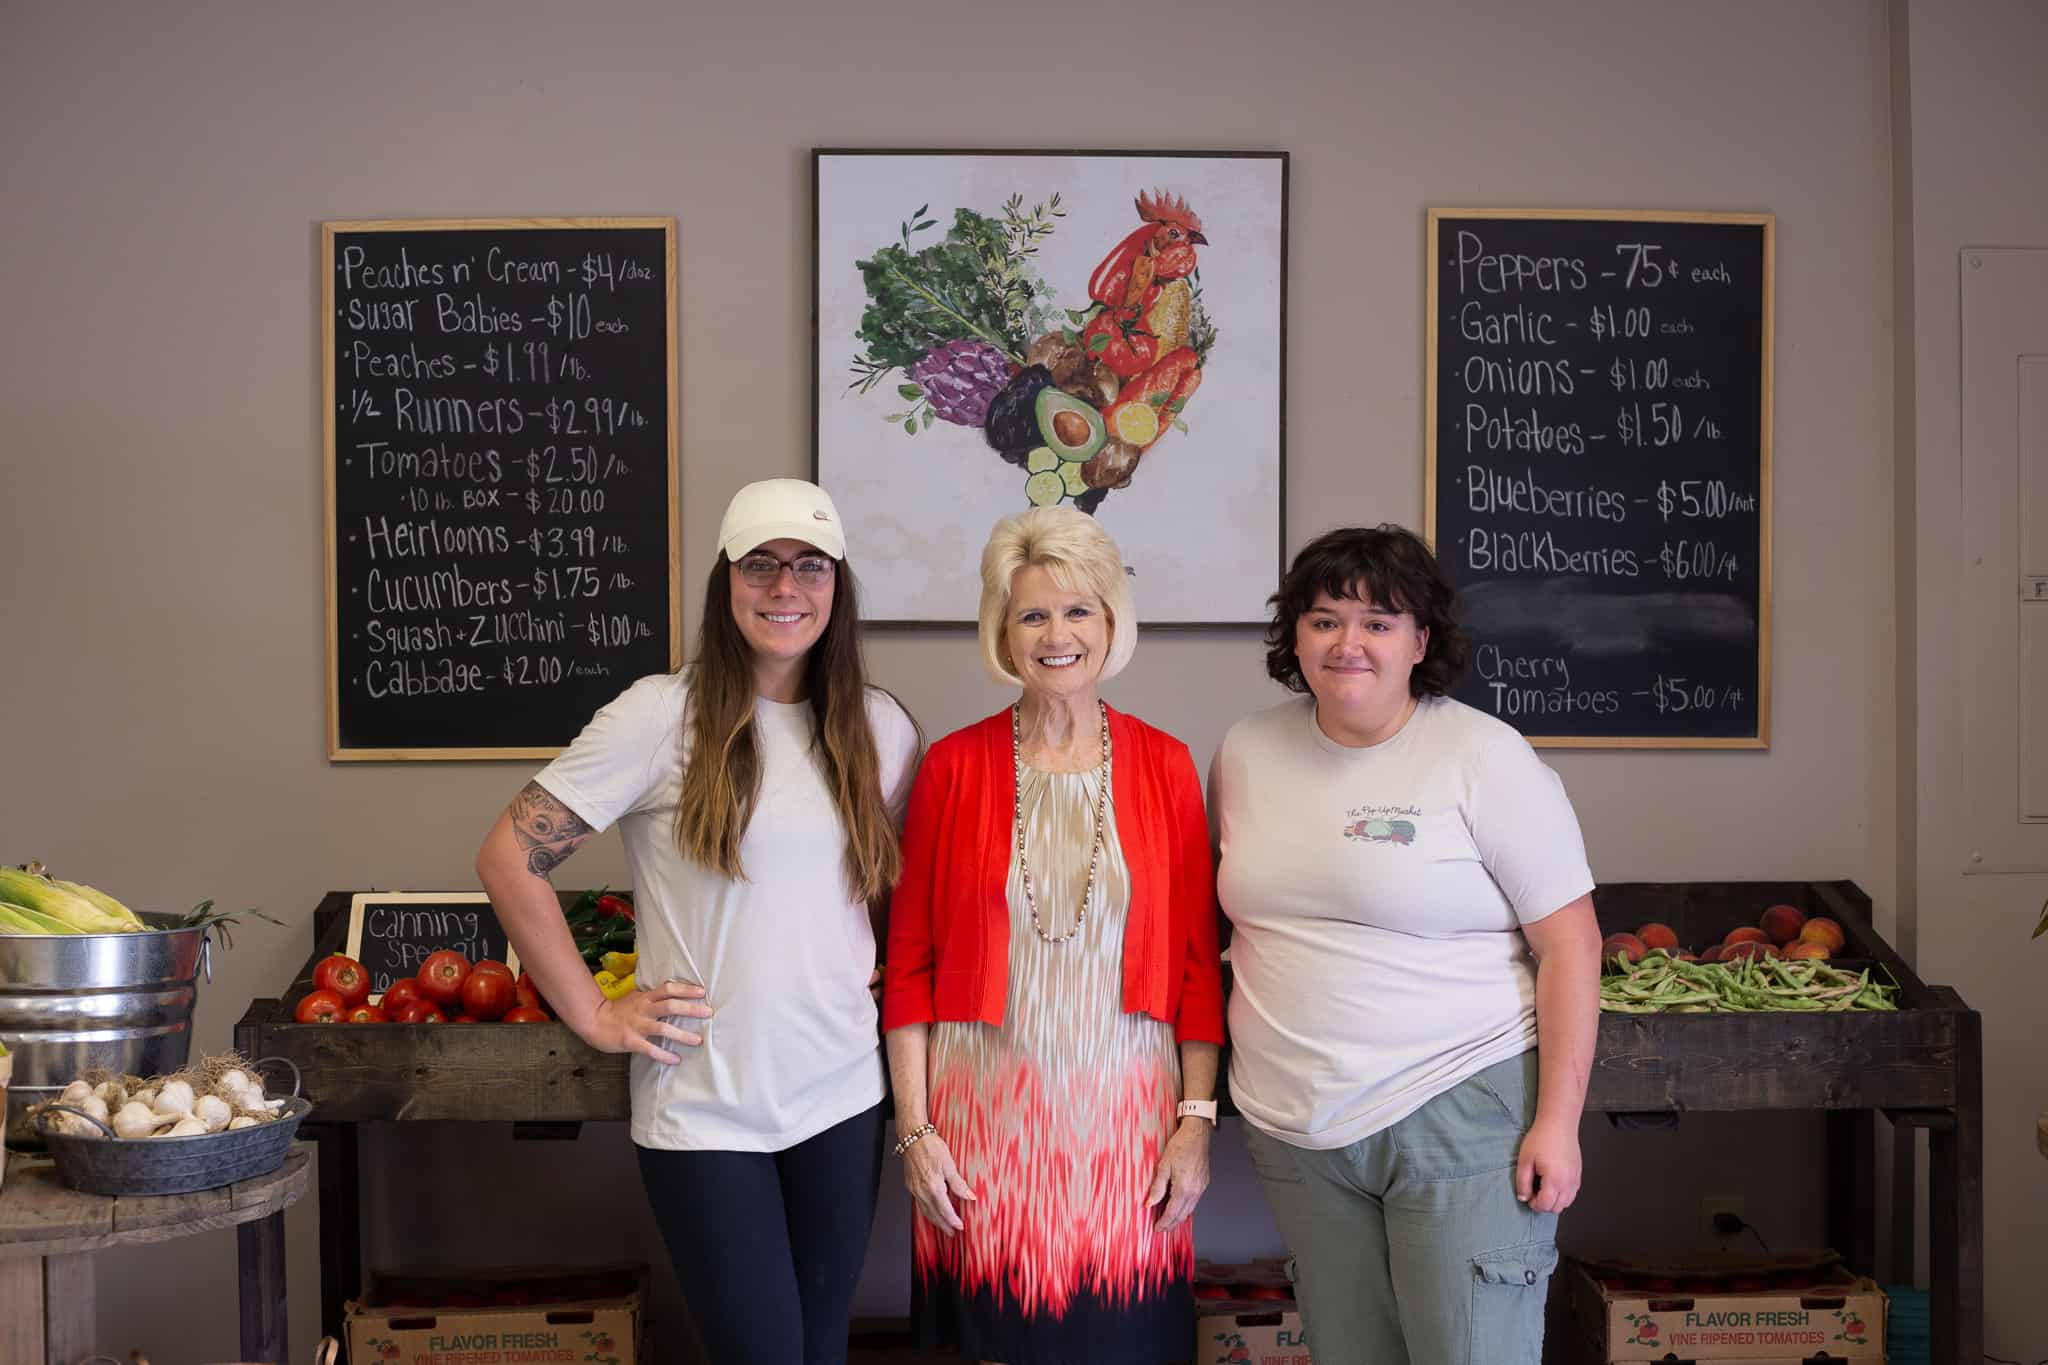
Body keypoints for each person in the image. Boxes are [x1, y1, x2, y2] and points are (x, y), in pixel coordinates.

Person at [475, 478, 920, 1365]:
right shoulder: (657, 715)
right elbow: (506, 857)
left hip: (841, 1094)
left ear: (838, 584)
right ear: (726, 580)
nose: (784, 587)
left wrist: (873, 953)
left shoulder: (881, 727)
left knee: (823, 1351)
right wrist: (596, 1013)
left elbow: (873, 880)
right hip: (706, 1109)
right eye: (760, 564)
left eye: (808, 566)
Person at [1210, 524, 1601, 1365]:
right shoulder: (1245, 751)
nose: (1347, 642)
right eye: (1323, 619)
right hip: (1297, 1128)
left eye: (1378, 622)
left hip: (1457, 1113)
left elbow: (1571, 947)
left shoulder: (1482, 756)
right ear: (1295, 636)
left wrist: (1559, 1123)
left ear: (1421, 641)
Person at [882, 506, 1225, 1365]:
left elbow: (1194, 967)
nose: (1057, 633)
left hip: (1127, 1120)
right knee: (1002, 1338)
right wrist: (916, 1130)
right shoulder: (952, 768)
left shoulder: (1168, 765)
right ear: (1004, 631)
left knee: (1124, 1338)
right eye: (1033, 613)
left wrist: (1196, 1121)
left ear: (1112, 622)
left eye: (1078, 610)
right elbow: (911, 964)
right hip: (984, 1116)